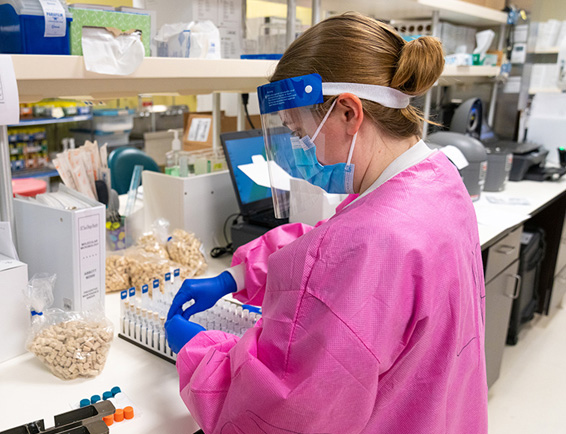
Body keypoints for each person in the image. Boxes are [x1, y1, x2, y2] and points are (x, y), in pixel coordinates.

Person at [164, 13, 488, 433]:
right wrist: (239, 275)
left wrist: (199, 351)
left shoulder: (373, 239)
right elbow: (330, 244)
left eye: (298, 131)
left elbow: (282, 413)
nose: (299, 151)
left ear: (349, 113)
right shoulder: (434, 180)